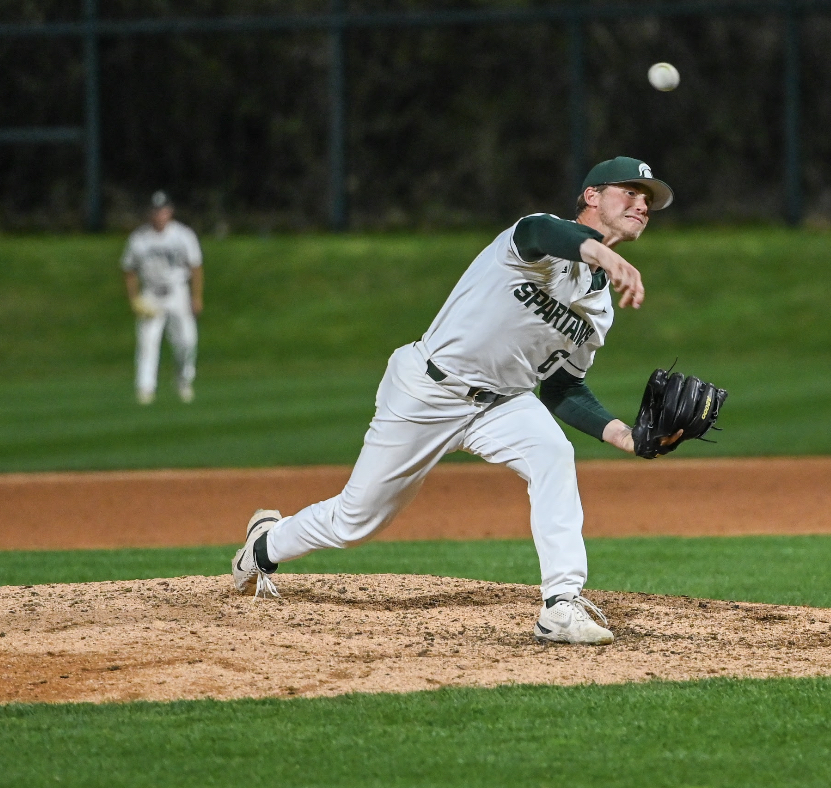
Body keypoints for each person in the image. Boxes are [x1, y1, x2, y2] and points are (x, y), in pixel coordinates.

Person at [232, 157, 680, 645]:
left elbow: (561, 387)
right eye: (629, 191)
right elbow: (540, 232)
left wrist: (625, 436)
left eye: (649, 199)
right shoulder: (538, 239)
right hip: (427, 390)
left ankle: (561, 603)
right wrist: (604, 255)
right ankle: (264, 545)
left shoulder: (598, 310)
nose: (642, 203)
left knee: (553, 453)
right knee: (356, 520)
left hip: (502, 403)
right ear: (592, 196)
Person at [121, 191, 204, 404]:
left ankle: (183, 381)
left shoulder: (183, 235)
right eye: (155, 211)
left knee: (186, 340)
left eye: (163, 210)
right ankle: (145, 388)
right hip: (151, 293)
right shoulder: (139, 239)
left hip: (178, 292)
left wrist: (196, 297)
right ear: (150, 213)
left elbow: (195, 267)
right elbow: (129, 269)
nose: (159, 215)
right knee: (148, 342)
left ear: (170, 212)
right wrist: (134, 298)